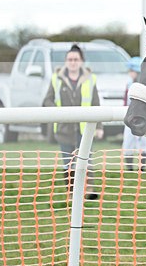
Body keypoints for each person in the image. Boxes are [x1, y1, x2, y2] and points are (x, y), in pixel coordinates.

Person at [42, 44, 103, 199]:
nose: (73, 62)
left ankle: (88, 190)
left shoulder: (90, 79)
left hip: (85, 129)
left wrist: (99, 126)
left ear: (81, 61)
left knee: (87, 160)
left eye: (76, 59)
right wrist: (59, 112)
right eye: (70, 59)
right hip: (64, 128)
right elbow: (47, 100)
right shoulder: (57, 79)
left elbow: (96, 103)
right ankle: (71, 193)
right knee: (68, 163)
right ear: (65, 61)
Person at [122, 56, 146, 172]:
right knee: (128, 142)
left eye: (131, 70)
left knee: (143, 142)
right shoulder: (129, 84)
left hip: (143, 118)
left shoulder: (145, 85)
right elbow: (125, 101)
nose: (129, 73)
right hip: (130, 118)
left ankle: (141, 168)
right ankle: (130, 168)